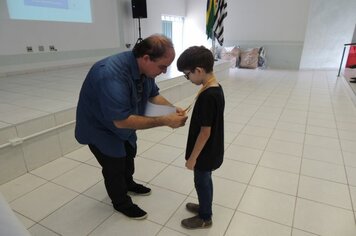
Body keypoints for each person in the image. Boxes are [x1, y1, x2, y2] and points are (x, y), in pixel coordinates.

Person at [75, 34, 188, 220]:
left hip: (122, 124)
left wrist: (170, 109)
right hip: (100, 128)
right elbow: (122, 121)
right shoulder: (110, 74)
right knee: (114, 166)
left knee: (128, 155)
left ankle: (129, 183)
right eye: (162, 67)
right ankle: (121, 202)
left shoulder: (145, 69)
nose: (164, 71)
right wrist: (165, 120)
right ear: (146, 58)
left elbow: (153, 95)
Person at [176, 46, 225, 229]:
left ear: (198, 70)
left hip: (204, 151)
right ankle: (205, 206)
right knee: (205, 180)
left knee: (201, 181)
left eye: (187, 74)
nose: (187, 78)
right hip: (212, 148)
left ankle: (205, 217)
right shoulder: (215, 87)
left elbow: (205, 132)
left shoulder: (208, 96)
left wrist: (192, 158)